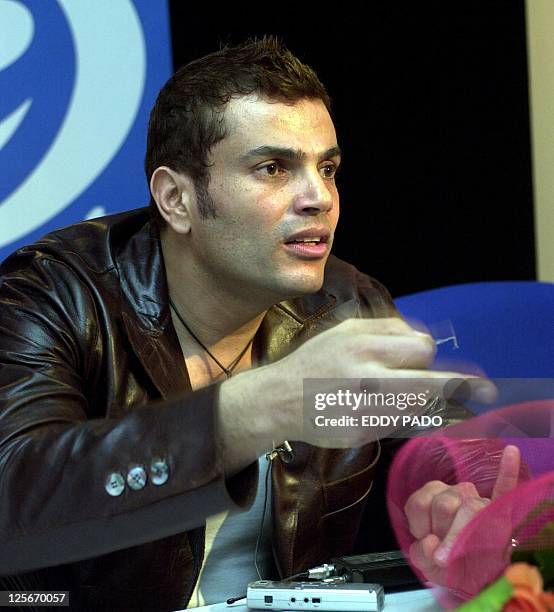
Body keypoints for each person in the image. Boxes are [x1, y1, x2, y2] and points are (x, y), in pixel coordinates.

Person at [0, 37, 516, 610]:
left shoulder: (347, 302)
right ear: (176, 199)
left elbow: (423, 459)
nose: (319, 197)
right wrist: (258, 405)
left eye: (328, 167)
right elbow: (16, 493)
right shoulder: (55, 294)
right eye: (273, 168)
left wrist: (448, 501)